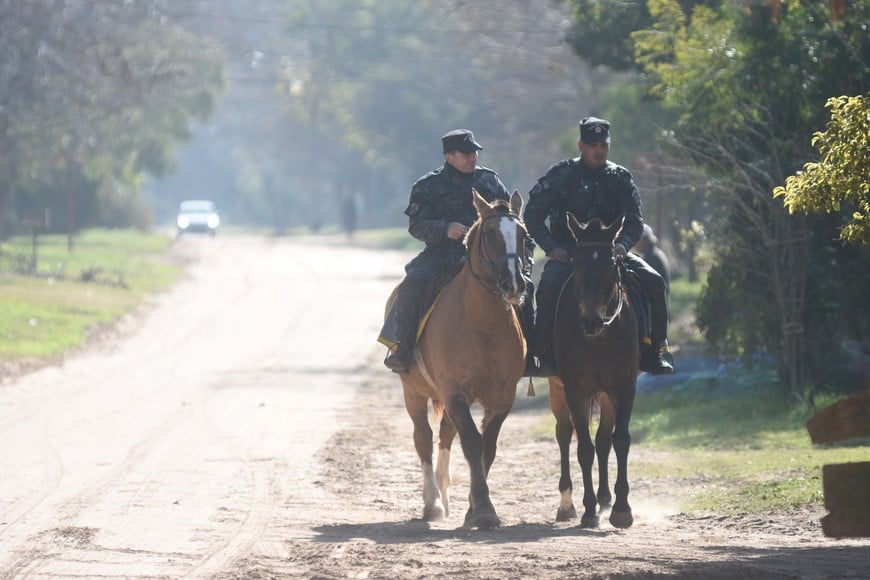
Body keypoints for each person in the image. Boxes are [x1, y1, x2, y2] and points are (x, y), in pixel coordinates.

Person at [523, 116, 675, 376]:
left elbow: (635, 220)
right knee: (548, 285)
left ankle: (656, 350)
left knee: (654, 280)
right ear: (581, 145)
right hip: (570, 255)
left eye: (603, 144)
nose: (599, 150)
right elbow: (532, 214)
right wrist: (550, 247)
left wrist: (625, 245)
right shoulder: (561, 175)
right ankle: (543, 353)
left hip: (611, 254)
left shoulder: (620, 177)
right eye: (593, 144)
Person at [383, 129, 536, 375]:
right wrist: (445, 229)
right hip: (441, 254)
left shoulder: (490, 181)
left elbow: (510, 219)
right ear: (449, 156)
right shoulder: (427, 186)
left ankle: (530, 354)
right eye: (466, 153)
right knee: (413, 282)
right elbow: (416, 226)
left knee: (525, 286)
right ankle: (403, 349)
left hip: (488, 256)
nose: (473, 157)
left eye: (474, 152)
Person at [633, 224, 670, 291]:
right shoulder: (655, 254)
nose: (635, 244)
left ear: (645, 242)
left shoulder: (653, 258)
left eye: (637, 240)